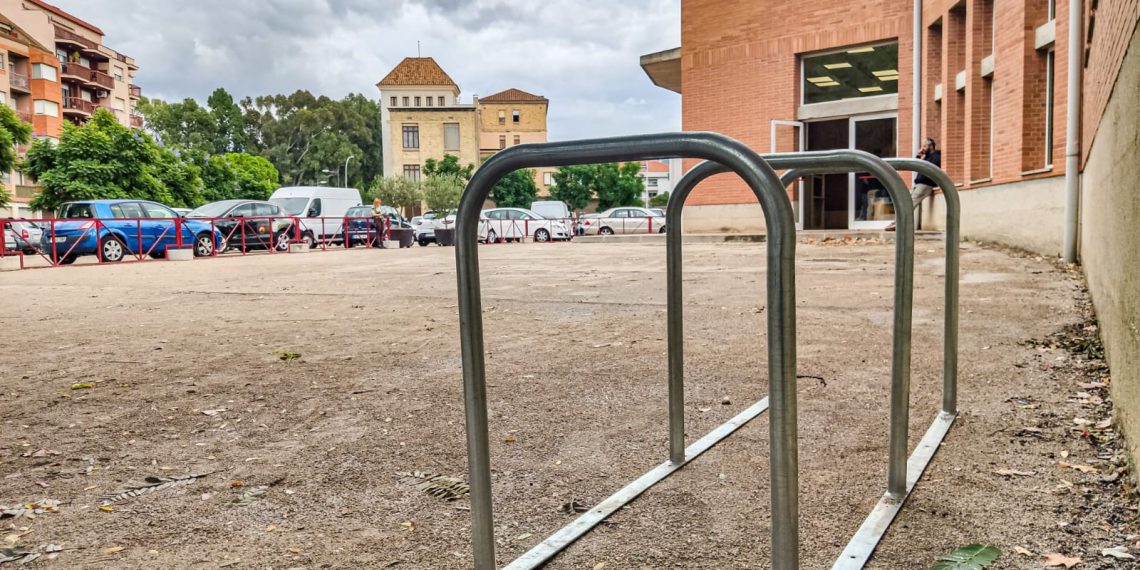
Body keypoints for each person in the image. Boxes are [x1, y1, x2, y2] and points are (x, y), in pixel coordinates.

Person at [885, 138, 941, 232]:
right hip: (918, 184)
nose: (922, 148)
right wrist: (919, 156)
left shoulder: (936, 156)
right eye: (922, 146)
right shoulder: (927, 157)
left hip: (925, 185)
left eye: (925, 146)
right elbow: (916, 166)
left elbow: (930, 170)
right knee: (906, 202)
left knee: (909, 203)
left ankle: (898, 223)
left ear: (931, 146)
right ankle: (898, 222)